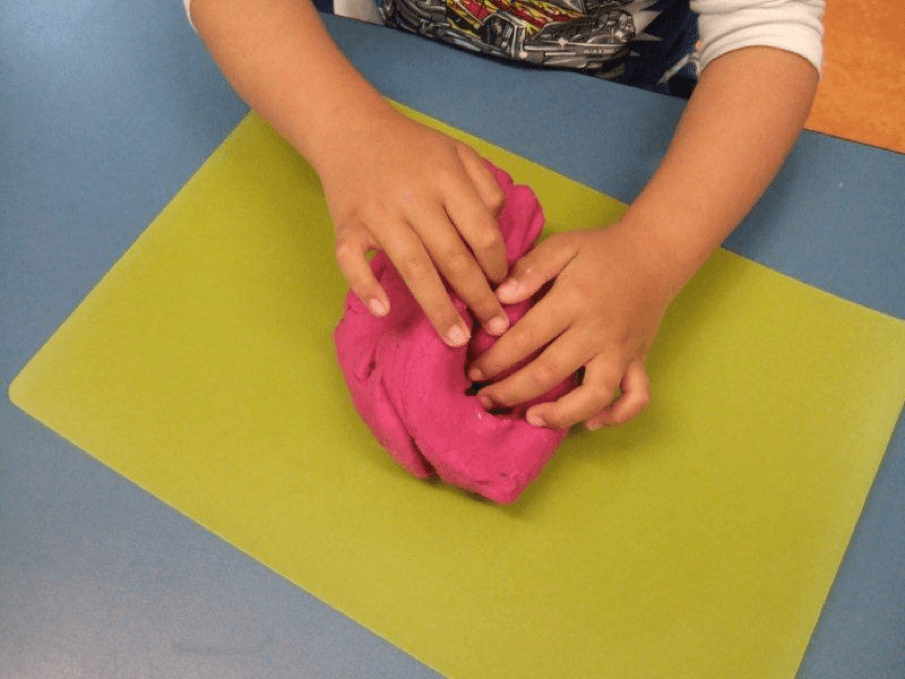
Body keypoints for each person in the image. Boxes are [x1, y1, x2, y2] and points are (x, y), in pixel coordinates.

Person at [185, 0, 824, 431]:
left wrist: (655, 251)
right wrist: (345, 132)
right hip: (371, 86)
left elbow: (767, 30)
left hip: (618, 118)